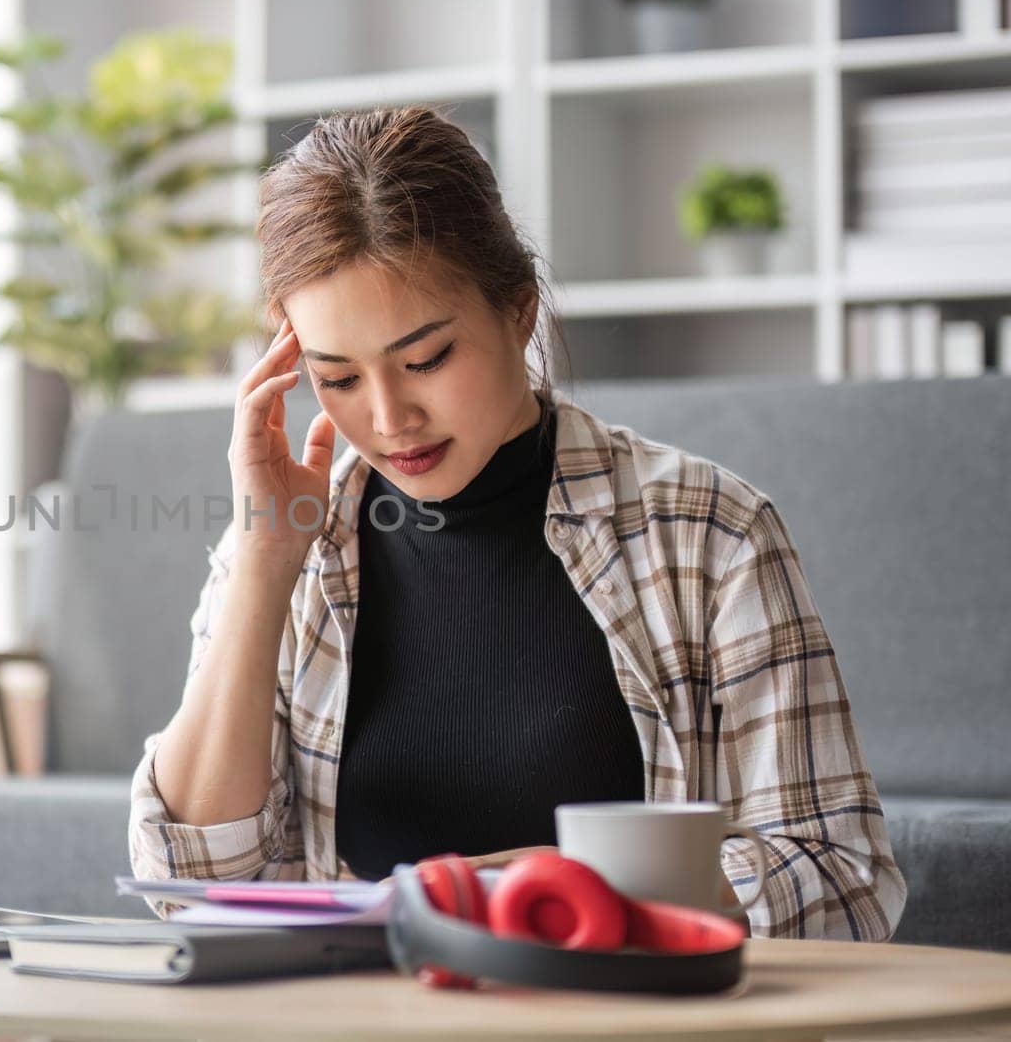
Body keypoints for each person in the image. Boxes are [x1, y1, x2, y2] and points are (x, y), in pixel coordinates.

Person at [126, 104, 906, 940]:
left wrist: (559, 890)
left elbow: (843, 877)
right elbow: (189, 887)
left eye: (426, 359)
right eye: (338, 377)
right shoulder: (291, 552)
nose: (390, 418)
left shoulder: (710, 533)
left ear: (520, 310)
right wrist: (264, 558)